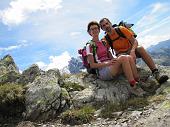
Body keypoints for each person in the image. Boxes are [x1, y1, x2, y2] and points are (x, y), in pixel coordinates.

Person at [99, 18, 169, 84]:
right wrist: (112, 59)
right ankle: (135, 79)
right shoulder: (106, 39)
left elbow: (134, 41)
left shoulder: (121, 29)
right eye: (103, 26)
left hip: (131, 50)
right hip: (121, 55)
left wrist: (132, 52)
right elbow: (106, 51)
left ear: (110, 23)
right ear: (102, 29)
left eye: (107, 23)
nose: (106, 26)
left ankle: (156, 73)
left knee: (140, 48)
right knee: (122, 56)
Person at [86, 21, 145, 96]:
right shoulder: (89, 46)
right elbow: (92, 65)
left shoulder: (103, 42)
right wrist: (108, 63)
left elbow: (109, 55)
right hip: (103, 71)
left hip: (111, 67)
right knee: (123, 58)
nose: (94, 30)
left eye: (96, 28)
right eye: (92, 29)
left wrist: (113, 60)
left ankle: (137, 81)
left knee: (129, 57)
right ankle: (133, 86)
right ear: (89, 32)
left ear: (99, 30)